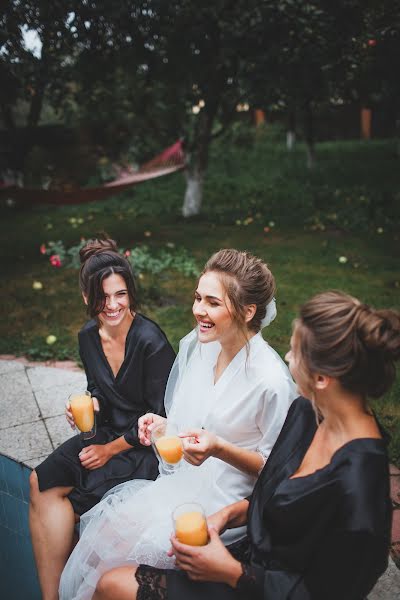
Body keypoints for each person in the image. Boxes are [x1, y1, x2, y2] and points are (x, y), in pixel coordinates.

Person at [93, 290, 398, 600]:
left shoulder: (361, 490)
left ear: (322, 379)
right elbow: (276, 495)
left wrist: (228, 571)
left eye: (294, 352)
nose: (288, 358)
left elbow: (324, 593)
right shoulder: (307, 413)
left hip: (261, 586)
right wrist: (227, 516)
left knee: (111, 586)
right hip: (250, 554)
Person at [59, 248, 296, 600]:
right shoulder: (201, 347)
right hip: (181, 485)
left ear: (247, 312)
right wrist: (160, 427)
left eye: (213, 303)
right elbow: (186, 425)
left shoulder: (271, 383)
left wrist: (220, 449)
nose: (199, 309)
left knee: (112, 574)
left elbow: (277, 476)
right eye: (198, 297)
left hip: (224, 506)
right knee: (98, 546)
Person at [29, 238, 176, 600]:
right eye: (102, 297)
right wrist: (90, 402)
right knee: (40, 481)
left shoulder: (151, 342)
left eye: (121, 294)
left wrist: (109, 450)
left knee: (81, 493)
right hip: (104, 431)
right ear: (86, 297)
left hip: (142, 447)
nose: (112, 306)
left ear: (130, 294)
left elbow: (160, 418)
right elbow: (97, 386)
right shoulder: (86, 336)